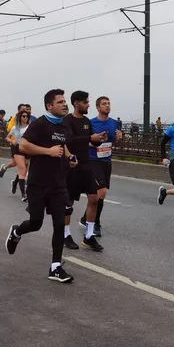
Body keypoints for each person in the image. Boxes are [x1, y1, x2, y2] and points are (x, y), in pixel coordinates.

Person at [5, 89, 77, 283]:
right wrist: (48, 151)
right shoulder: (39, 124)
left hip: (58, 184)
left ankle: (55, 267)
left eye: (64, 101)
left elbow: (63, 145)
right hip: (38, 184)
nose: (64, 104)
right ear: (49, 106)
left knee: (60, 224)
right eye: (60, 102)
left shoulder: (64, 125)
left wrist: (69, 157)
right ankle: (17, 231)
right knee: (36, 223)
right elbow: (23, 146)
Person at [62, 91, 105, 252]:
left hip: (87, 165)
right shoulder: (68, 120)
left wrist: (98, 140)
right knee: (69, 202)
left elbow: (91, 141)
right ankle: (66, 234)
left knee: (94, 198)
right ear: (76, 103)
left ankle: (88, 236)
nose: (88, 105)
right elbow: (69, 140)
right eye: (85, 102)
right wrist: (90, 139)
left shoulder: (87, 121)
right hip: (72, 166)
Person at [79, 96, 122, 236]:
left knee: (98, 194)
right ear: (98, 107)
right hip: (93, 160)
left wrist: (119, 139)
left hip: (106, 160)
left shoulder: (115, 123)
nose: (107, 106)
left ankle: (86, 218)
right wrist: (94, 142)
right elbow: (84, 142)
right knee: (101, 192)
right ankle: (95, 222)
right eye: (104, 104)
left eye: (109, 103)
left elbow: (116, 143)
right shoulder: (91, 123)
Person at [5, 110, 31, 201]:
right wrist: (12, 141)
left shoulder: (30, 127)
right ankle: (24, 195)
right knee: (23, 169)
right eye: (23, 116)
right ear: (20, 117)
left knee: (25, 168)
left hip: (27, 149)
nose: (25, 118)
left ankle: (15, 182)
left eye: (27, 116)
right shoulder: (15, 128)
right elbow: (7, 137)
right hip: (18, 149)